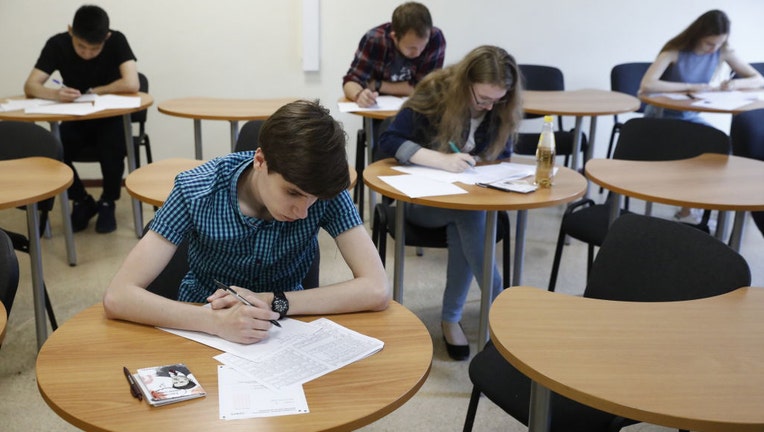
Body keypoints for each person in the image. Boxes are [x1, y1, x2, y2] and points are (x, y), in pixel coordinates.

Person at [103, 100, 390, 344]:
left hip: (284, 325)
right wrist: (213, 322)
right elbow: (119, 296)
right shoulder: (196, 188)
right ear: (260, 161)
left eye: (312, 200)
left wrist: (270, 301)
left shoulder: (322, 189)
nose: (303, 211)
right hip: (201, 319)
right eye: (292, 193)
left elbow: (376, 289)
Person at [378, 45, 523, 360]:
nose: (488, 106)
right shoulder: (434, 92)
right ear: (464, 83)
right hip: (422, 201)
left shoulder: (500, 107)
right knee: (471, 218)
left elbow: (504, 159)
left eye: (497, 100)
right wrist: (438, 160)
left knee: (468, 220)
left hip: (469, 202)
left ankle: (451, 319)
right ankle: (501, 313)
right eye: (482, 98)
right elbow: (386, 142)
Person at [639, 9, 764, 223]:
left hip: (689, 116)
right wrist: (692, 86)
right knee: (699, 145)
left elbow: (758, 78)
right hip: (661, 117)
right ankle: (688, 206)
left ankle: (703, 202)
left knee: (722, 146)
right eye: (709, 44)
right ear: (697, 36)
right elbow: (647, 85)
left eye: (718, 44)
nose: (713, 49)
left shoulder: (722, 50)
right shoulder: (674, 50)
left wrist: (734, 83)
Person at [24, 5, 140, 234]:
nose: (86, 53)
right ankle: (82, 200)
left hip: (110, 118)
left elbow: (132, 83)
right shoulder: (57, 44)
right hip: (75, 118)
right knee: (52, 150)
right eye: (81, 46)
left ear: (106, 37)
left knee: (113, 146)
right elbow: (30, 85)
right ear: (70, 31)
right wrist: (55, 94)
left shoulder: (117, 41)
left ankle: (108, 201)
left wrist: (96, 91)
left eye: (94, 48)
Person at [342, 1, 446, 108]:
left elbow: (426, 88)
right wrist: (359, 95)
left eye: (423, 46)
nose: (418, 53)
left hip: (417, 109)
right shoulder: (374, 40)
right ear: (394, 37)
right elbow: (351, 80)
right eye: (411, 48)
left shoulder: (435, 39)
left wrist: (378, 85)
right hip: (378, 109)